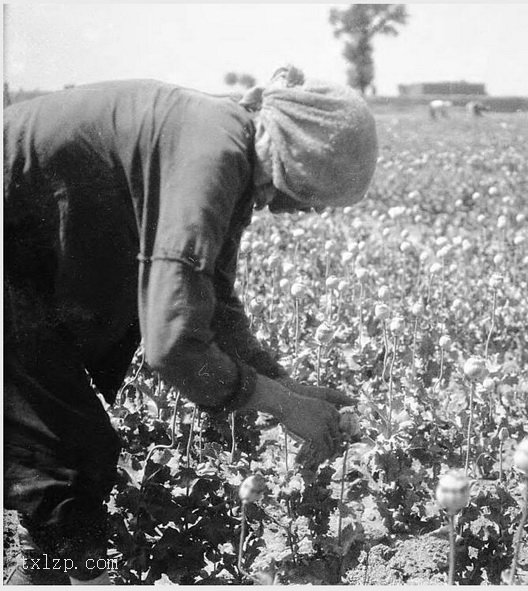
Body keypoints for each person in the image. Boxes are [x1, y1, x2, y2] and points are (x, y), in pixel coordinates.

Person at [3, 66, 378, 584]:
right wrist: (285, 407)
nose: (308, 212)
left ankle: (45, 571)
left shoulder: (229, 142)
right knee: (68, 453)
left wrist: (287, 385)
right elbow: (173, 344)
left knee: (61, 453)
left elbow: (212, 302)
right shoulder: (214, 156)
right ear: (299, 157)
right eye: (313, 196)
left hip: (26, 258)